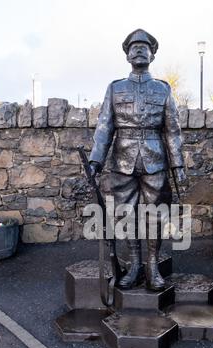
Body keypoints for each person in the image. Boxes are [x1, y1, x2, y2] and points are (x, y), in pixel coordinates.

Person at [89, 28, 186, 291]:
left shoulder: (163, 89)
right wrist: (95, 160)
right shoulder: (115, 88)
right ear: (127, 55)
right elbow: (105, 126)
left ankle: (152, 267)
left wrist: (177, 164)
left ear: (153, 55)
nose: (140, 50)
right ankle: (134, 265)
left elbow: (172, 130)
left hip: (156, 159)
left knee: (156, 215)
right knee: (126, 215)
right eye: (134, 47)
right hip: (122, 160)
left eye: (145, 47)